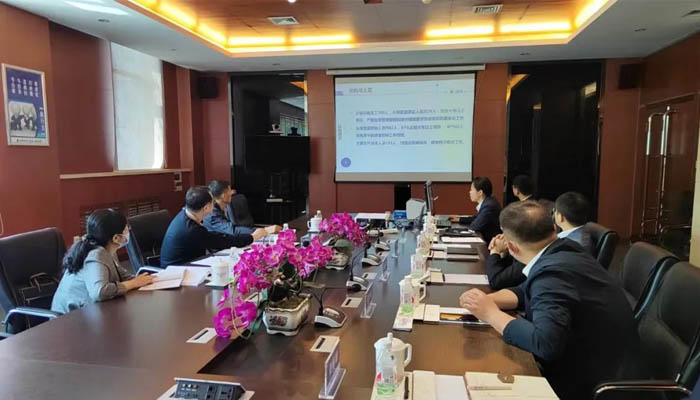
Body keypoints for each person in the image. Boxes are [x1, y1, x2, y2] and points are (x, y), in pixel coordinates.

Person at [459, 201, 640, 400]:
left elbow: (545, 343)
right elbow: (526, 289)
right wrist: (489, 299)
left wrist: (490, 314)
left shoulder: (553, 275)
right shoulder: (565, 249)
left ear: (511, 247)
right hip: (604, 360)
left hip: (592, 382)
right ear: (553, 228)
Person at [51, 209, 154, 313]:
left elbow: (121, 275)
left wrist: (147, 279)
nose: (128, 232)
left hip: (91, 311)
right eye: (126, 229)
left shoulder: (105, 249)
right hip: (70, 318)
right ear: (116, 238)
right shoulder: (96, 254)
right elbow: (99, 292)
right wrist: (132, 283)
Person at [160, 186, 268, 267]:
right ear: (206, 208)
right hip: (178, 271)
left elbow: (214, 238)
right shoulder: (191, 229)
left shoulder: (184, 214)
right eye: (213, 202)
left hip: (190, 263)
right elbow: (222, 242)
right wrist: (253, 237)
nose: (215, 204)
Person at [204, 180, 280, 237]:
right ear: (223, 196)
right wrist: (265, 230)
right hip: (221, 250)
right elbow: (233, 231)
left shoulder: (223, 209)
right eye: (229, 191)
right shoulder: (212, 215)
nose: (232, 192)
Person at [449, 177, 501, 243]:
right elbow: (477, 218)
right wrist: (459, 219)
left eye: (471, 190)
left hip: (490, 243)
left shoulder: (488, 206)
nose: (469, 192)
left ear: (480, 192)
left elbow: (474, 226)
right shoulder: (489, 201)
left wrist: (454, 231)